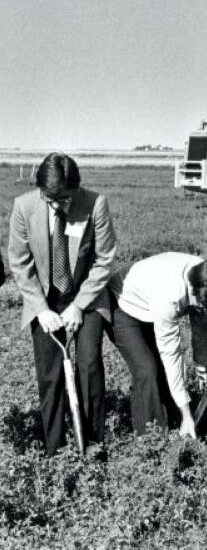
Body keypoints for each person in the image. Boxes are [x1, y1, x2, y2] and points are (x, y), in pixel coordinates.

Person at [7, 153, 116, 455]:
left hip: (86, 295)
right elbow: (19, 262)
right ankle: (54, 447)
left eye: (64, 199)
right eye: (49, 199)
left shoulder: (95, 204)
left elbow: (104, 260)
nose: (56, 205)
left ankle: (94, 443)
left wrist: (79, 305)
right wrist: (42, 309)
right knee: (50, 373)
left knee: (89, 364)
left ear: (76, 188)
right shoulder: (23, 207)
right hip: (44, 299)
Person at [109, 253, 207, 438]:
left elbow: (202, 328)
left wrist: (202, 366)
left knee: (162, 370)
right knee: (147, 369)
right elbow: (171, 355)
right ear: (193, 292)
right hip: (122, 303)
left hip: (149, 301)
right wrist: (187, 415)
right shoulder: (169, 295)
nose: (204, 310)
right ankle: (151, 439)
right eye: (202, 305)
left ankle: (173, 423)